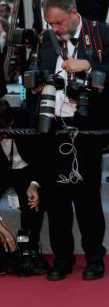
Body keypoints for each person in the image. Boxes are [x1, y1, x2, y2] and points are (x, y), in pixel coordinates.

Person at [38, 0, 109, 281]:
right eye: (51, 24)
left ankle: (95, 257)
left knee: (87, 198)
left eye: (59, 23)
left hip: (87, 128)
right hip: (54, 127)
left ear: (74, 14)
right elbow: (39, 71)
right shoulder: (47, 40)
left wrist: (88, 65)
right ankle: (62, 258)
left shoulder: (100, 33)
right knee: (56, 199)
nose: (55, 29)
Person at [0, 99, 47, 275]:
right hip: (3, 170)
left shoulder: (28, 121)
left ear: (10, 122)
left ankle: (29, 249)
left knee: (32, 207)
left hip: (28, 169)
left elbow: (42, 158)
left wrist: (34, 184)